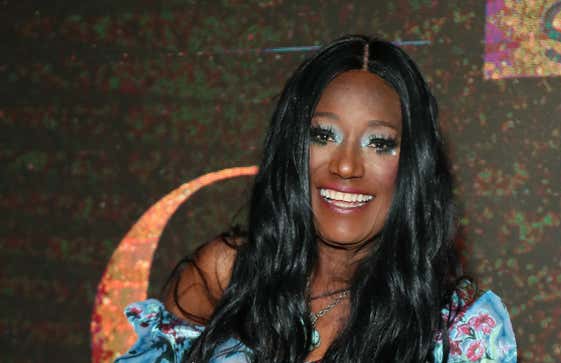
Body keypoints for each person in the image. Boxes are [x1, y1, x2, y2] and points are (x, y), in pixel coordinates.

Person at [115, 34, 517, 363]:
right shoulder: (225, 277)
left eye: (380, 144)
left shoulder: (458, 331)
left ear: (414, 166)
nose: (345, 166)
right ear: (292, 147)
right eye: (322, 136)